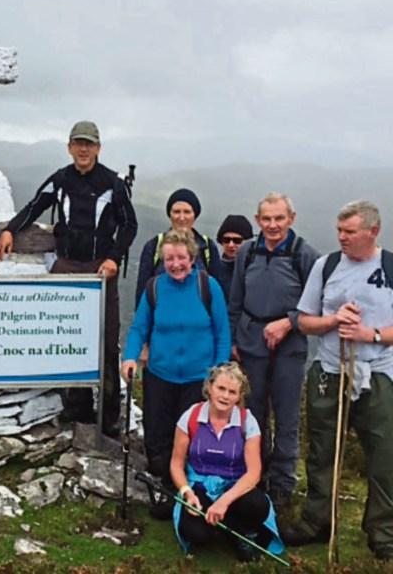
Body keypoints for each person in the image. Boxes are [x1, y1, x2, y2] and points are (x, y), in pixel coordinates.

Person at [0, 120, 137, 436]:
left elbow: (130, 224)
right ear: (70, 147)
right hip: (67, 267)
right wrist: (10, 230)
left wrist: (114, 258)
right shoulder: (60, 179)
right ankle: (77, 410)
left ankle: (109, 417)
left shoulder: (113, 183)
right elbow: (35, 206)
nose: (83, 149)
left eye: (89, 144)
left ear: (98, 148)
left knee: (106, 341)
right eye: (78, 143)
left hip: (100, 270)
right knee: (68, 337)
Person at [282, 201, 393, 561]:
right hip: (330, 370)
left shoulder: (390, 267)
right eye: (339, 231)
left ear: (373, 232)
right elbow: (303, 321)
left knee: (384, 456)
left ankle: (383, 533)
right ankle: (317, 522)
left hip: (379, 373)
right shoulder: (326, 265)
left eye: (350, 232)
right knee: (321, 450)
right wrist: (333, 322)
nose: (341, 238)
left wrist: (368, 334)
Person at [122, 230, 231, 519]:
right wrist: (129, 357)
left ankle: (187, 492)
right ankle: (165, 488)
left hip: (199, 379)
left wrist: (219, 374)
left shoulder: (208, 286)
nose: (176, 264)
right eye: (169, 258)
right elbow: (139, 327)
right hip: (160, 375)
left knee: (192, 436)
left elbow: (222, 333)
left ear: (192, 258)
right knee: (157, 435)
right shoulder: (155, 288)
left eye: (181, 258)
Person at [228, 193, 319, 507]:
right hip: (250, 342)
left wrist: (288, 322)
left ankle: (282, 485)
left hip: (289, 347)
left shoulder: (304, 255)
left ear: (291, 219)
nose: (273, 225)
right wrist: (233, 340)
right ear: (257, 220)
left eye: (279, 218)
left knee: (286, 416)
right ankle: (255, 475)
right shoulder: (247, 252)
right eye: (266, 219)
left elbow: (318, 305)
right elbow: (236, 300)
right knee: (252, 414)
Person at [170, 362, 284, 562]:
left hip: (234, 486)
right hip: (199, 486)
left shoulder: (247, 422)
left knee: (257, 505)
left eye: (232, 392)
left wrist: (224, 501)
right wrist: (187, 493)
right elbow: (176, 464)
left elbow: (254, 473)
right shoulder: (191, 416)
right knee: (197, 534)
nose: (225, 396)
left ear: (239, 396)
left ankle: (243, 531)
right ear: (209, 387)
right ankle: (224, 529)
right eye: (220, 388)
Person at [134, 188, 222, 307]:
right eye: (176, 212)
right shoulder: (154, 246)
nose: (181, 217)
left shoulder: (208, 248)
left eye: (187, 212)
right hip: (162, 314)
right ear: (169, 214)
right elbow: (142, 294)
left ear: (195, 215)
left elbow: (217, 293)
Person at [215, 214, 252, 298]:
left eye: (237, 240)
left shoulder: (254, 269)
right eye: (226, 240)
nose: (231, 245)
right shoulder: (214, 269)